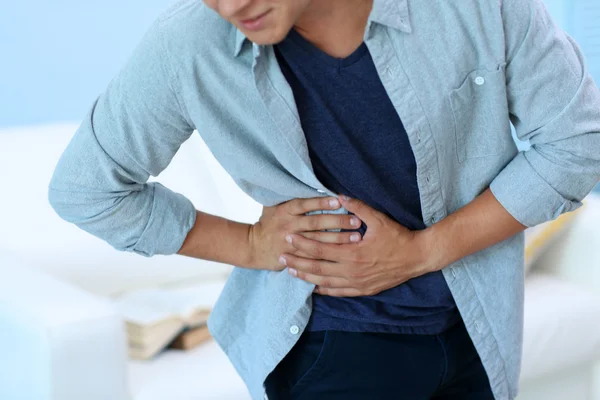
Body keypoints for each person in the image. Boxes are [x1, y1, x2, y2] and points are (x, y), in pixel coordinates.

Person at [48, 0, 600, 398]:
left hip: (480, 330)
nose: (231, 5)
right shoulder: (189, 43)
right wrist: (247, 244)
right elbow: (88, 188)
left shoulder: (475, 8)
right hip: (332, 345)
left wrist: (423, 252)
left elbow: (579, 140)